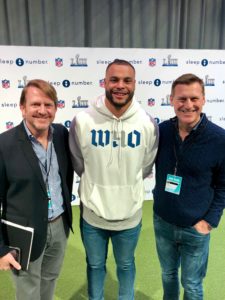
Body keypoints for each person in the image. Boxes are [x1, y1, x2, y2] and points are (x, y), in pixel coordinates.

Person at [69, 59, 158, 300]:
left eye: (127, 80)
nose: (120, 85)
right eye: (114, 79)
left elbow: (145, 165)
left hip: (129, 215)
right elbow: (79, 165)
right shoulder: (83, 121)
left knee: (126, 266)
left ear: (135, 84)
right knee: (95, 266)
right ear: (104, 82)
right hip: (93, 215)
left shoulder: (147, 123)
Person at [153, 73, 225, 300]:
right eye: (181, 99)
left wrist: (209, 222)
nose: (188, 105)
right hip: (163, 222)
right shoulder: (161, 131)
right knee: (168, 275)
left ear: (203, 100)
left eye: (194, 99)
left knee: (192, 285)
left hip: (196, 227)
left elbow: (223, 186)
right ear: (172, 100)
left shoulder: (219, 139)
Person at [0, 79, 74, 300]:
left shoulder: (61, 134)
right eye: (35, 104)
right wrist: (1, 248)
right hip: (23, 233)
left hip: (59, 226)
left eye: (48, 104)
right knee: (28, 290)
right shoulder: (4, 145)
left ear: (55, 108)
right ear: (22, 108)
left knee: (50, 280)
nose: (42, 111)